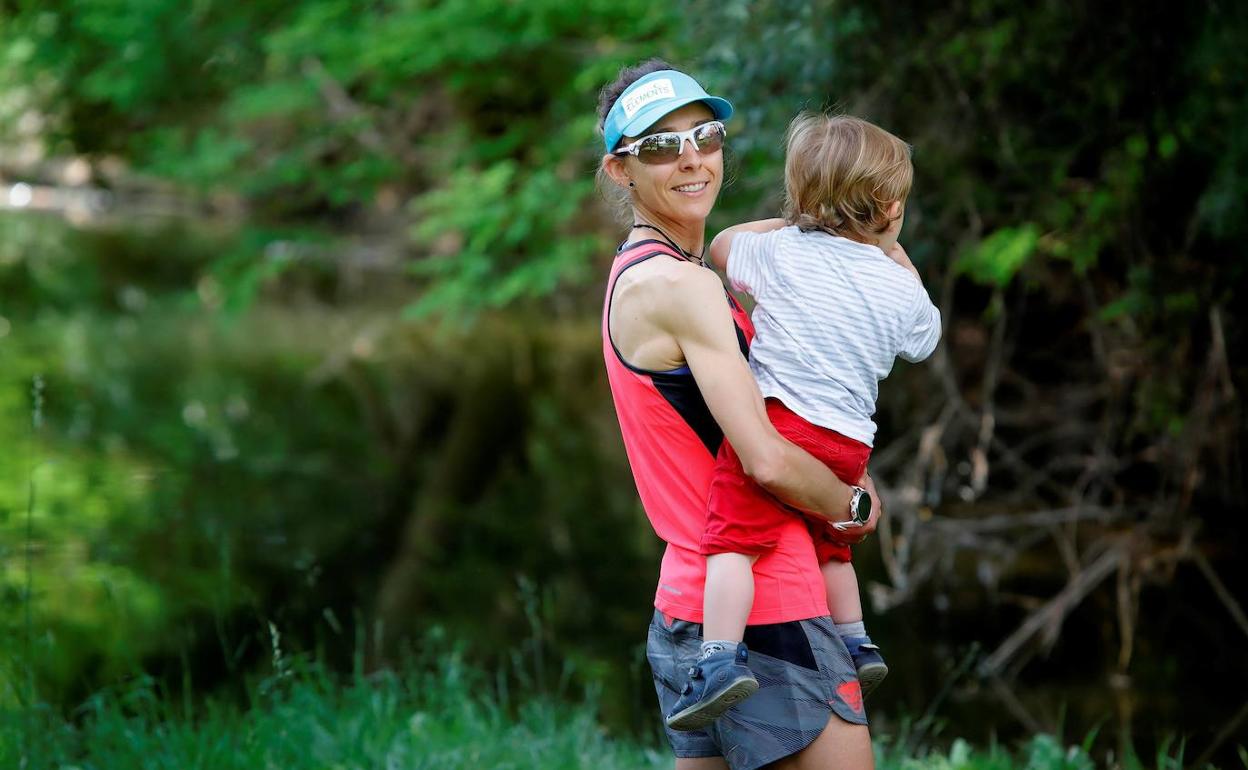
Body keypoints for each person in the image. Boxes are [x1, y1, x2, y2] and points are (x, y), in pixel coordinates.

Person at [599, 59, 878, 770]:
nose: (691, 158)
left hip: (693, 605)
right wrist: (852, 502)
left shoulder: (643, 272)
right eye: (660, 147)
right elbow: (766, 459)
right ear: (619, 171)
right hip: (768, 599)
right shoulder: (683, 288)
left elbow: (786, 236)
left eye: (706, 135)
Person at [664, 113, 943, 731]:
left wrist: (794, 220)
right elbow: (926, 337)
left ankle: (717, 658)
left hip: (784, 425)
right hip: (849, 445)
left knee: (731, 537)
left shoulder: (782, 250)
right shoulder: (898, 287)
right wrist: (895, 254)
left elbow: (721, 245)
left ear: (804, 197)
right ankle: (857, 640)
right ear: (892, 205)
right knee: (831, 544)